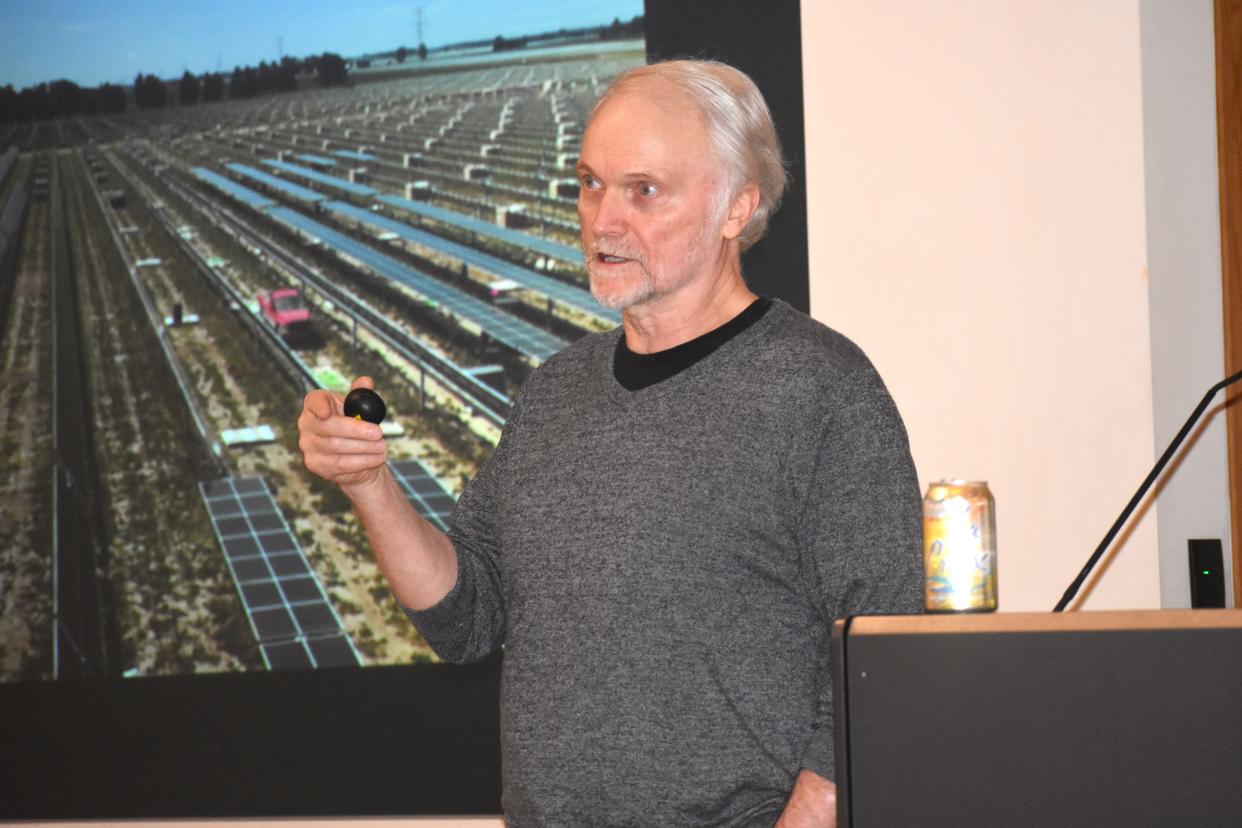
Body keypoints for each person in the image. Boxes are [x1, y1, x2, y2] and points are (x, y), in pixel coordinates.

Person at [299, 59, 922, 827]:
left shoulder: (820, 388)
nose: (602, 220)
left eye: (643, 190)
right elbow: (464, 618)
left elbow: (881, 646)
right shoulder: (556, 391)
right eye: (590, 183)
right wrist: (370, 486)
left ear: (737, 207)